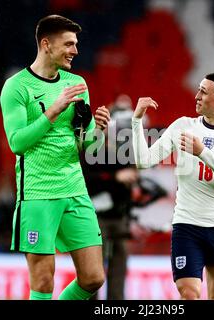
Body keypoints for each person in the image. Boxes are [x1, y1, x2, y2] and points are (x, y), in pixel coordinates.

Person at [0, 15, 111, 300]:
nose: (75, 50)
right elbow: (17, 143)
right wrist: (53, 110)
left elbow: (87, 147)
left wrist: (98, 130)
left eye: (76, 44)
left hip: (75, 190)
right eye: (69, 44)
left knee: (94, 278)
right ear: (46, 45)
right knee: (43, 282)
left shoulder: (77, 84)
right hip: (37, 194)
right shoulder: (17, 86)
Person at [131, 72, 214, 300]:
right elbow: (143, 161)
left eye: (203, 92)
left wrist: (202, 152)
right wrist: (137, 120)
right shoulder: (183, 126)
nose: (196, 96)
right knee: (189, 293)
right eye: (198, 89)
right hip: (187, 226)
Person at [83, 94, 139, 300]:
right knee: (93, 272)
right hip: (96, 217)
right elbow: (86, 178)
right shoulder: (93, 146)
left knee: (119, 267)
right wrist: (116, 177)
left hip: (119, 216)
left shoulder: (126, 149)